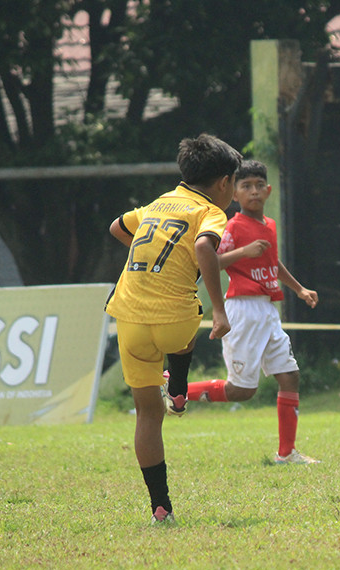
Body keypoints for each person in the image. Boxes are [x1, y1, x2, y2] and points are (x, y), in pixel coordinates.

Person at [106, 133, 242, 524]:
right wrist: (219, 309)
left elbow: (117, 227)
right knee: (184, 329)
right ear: (223, 183)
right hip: (174, 319)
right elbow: (204, 249)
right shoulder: (211, 211)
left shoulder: (157, 203)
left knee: (147, 414)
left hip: (128, 316)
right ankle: (179, 387)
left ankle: (160, 505)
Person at [182, 160, 321, 465]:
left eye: (259, 185)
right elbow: (210, 261)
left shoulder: (268, 225)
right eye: (246, 186)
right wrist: (242, 253)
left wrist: (298, 289)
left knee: (290, 376)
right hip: (242, 310)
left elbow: (273, 262)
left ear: (268, 190)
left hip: (267, 311)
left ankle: (286, 454)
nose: (254, 191)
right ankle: (177, 388)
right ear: (234, 194)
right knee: (242, 391)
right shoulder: (232, 227)